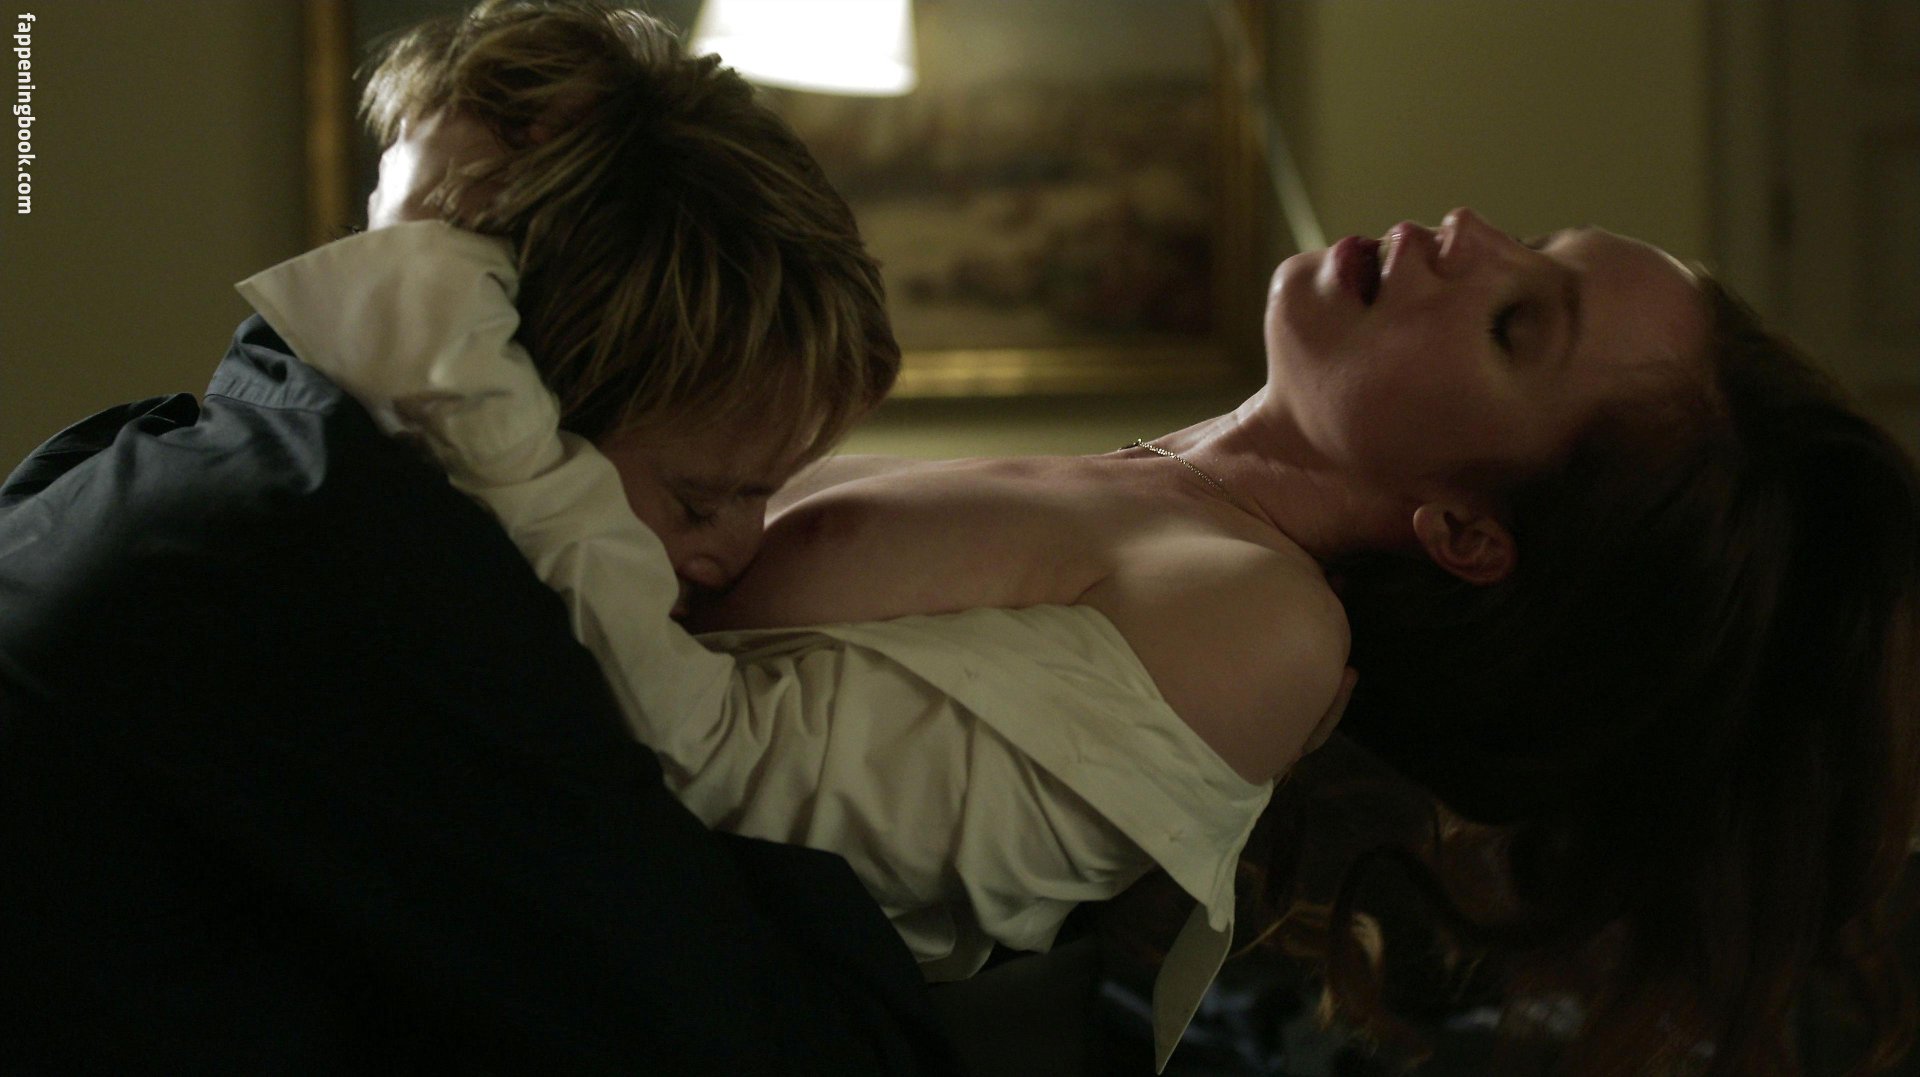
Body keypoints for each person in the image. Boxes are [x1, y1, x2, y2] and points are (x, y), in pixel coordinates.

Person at [272, 197, 1920, 1074]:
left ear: (1466, 533)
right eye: (1533, 243)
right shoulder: (1164, 495)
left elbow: (700, 788)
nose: (1462, 234)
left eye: (1514, 321)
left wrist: (443, 344)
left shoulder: (1252, 631)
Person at [0, 2, 960, 1073]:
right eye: (700, 500)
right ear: (528, 413)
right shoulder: (369, 587)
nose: (736, 553)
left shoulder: (178, 453)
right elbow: (794, 1045)